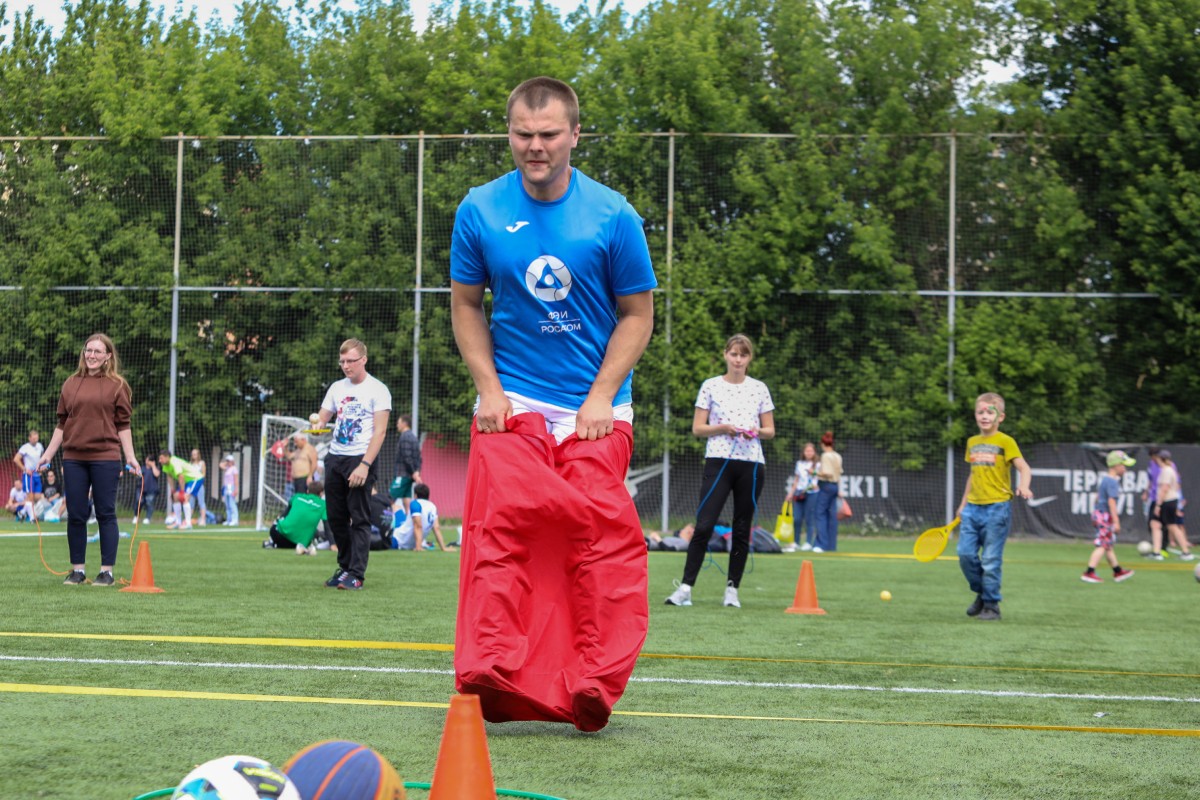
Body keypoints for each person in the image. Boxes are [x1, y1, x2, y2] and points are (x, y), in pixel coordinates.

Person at [449, 76, 656, 731]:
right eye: (522, 134)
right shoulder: (479, 210)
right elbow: (465, 305)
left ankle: (591, 682)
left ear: (575, 135)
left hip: (596, 410)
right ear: (508, 134)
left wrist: (601, 398)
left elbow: (638, 316)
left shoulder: (613, 216)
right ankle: (492, 673)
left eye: (548, 135)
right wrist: (490, 390)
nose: (534, 147)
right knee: (500, 535)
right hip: (513, 403)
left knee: (597, 542)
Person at [665, 334, 775, 610]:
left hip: (751, 463)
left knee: (742, 528)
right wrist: (724, 428)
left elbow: (770, 430)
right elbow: (698, 428)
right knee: (704, 524)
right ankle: (686, 588)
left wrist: (756, 432)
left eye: (743, 355)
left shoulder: (759, 388)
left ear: (749, 358)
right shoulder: (710, 386)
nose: (738, 359)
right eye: (734, 354)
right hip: (718, 460)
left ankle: (732, 590)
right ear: (726, 355)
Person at [37, 333, 141, 586]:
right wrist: (48, 454)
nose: (91, 355)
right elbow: (62, 424)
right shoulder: (71, 383)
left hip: (106, 458)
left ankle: (106, 572)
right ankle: (78, 571)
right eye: (88, 350)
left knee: (105, 513)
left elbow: (123, 425)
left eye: (97, 351)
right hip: (73, 458)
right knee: (75, 514)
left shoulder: (118, 385)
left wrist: (130, 457)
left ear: (108, 356)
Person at [314, 338, 391, 590]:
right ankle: (345, 567)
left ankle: (357, 574)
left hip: (360, 458)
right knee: (336, 517)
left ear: (363, 360)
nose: (346, 366)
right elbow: (323, 418)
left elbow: (380, 432)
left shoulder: (378, 390)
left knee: (359, 518)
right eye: (342, 361)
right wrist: (317, 424)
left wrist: (365, 465)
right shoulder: (336, 388)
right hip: (335, 457)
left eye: (351, 361)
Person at [955, 392, 1032, 621]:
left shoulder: (1006, 441)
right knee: (964, 554)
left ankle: (991, 605)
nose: (985, 416)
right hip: (972, 508)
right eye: (980, 412)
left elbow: (1024, 468)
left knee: (990, 559)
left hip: (997, 508)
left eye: (990, 412)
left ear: (1001, 417)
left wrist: (1024, 486)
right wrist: (962, 504)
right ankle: (982, 593)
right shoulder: (972, 442)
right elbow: (972, 475)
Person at [1082, 450, 1137, 583]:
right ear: (1116, 465)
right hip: (1105, 515)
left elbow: (1097, 498)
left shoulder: (1105, 479)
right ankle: (1089, 572)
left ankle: (1117, 571)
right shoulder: (1112, 482)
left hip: (1099, 514)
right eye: (1123, 465)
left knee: (1108, 545)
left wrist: (1097, 513)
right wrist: (1116, 522)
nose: (1125, 468)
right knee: (1102, 545)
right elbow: (1111, 502)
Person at [1151, 449, 1194, 561]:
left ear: (1160, 459)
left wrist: (1158, 505)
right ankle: (1157, 552)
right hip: (1170, 501)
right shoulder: (1169, 469)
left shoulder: (1166, 470)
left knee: (1172, 526)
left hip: (1167, 501)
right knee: (1156, 524)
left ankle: (1186, 552)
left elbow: (1164, 488)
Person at [264, 480, 326, 554]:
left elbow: (285, 514)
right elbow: (327, 526)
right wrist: (333, 544)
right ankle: (275, 544)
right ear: (321, 493)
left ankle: (273, 543)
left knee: (278, 522)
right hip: (297, 543)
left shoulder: (297, 496)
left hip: (278, 534)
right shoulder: (323, 504)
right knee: (312, 532)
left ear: (307, 491)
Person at [784, 441, 820, 552]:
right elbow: (796, 480)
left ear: (814, 452)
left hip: (812, 493)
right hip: (799, 493)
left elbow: (820, 477)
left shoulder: (818, 464)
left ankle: (809, 542)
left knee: (809, 518)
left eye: (811, 451)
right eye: (807, 451)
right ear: (803, 452)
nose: (809, 453)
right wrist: (791, 493)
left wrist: (813, 474)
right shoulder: (799, 463)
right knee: (797, 518)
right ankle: (796, 542)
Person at [391, 482, 448, 551]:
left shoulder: (415, 504)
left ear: (415, 495)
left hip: (397, 541)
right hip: (407, 539)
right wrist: (444, 548)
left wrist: (418, 547)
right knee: (397, 508)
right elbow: (436, 528)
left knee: (395, 507)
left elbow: (418, 526)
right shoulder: (433, 506)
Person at [812, 431, 844, 552]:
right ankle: (831, 545)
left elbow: (827, 473)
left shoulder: (825, 455)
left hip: (826, 486)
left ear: (822, 444)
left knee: (820, 514)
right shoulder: (837, 456)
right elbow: (839, 474)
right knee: (832, 515)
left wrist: (814, 472)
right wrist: (839, 489)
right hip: (835, 486)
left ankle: (821, 545)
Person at [158, 450, 201, 529]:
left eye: (161, 458)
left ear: (167, 457)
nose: (159, 460)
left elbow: (181, 477)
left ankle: (188, 523)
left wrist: (182, 492)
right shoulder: (165, 465)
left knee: (185, 497)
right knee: (175, 497)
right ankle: (178, 522)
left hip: (195, 478)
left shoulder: (174, 462)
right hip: (187, 481)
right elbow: (169, 476)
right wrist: (173, 490)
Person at [390, 414, 422, 516]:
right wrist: (417, 472)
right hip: (410, 476)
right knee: (406, 499)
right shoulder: (413, 437)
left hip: (403, 474)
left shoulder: (405, 436)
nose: (397, 425)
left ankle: (385, 520)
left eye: (398, 423)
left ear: (404, 423)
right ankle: (409, 520)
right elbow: (419, 457)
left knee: (390, 498)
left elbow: (407, 457)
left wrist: (413, 472)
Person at [14, 429, 44, 507]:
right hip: (28, 476)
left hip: (37, 475)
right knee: (30, 498)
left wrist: (42, 468)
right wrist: (25, 469)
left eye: (37, 438)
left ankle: (23, 511)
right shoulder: (25, 447)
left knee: (38, 497)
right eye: (34, 439)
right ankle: (29, 513)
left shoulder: (40, 446)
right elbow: (16, 459)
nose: (35, 440)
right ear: (29, 438)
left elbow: (42, 459)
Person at [135, 454, 160, 523]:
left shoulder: (155, 468)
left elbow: (157, 474)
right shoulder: (142, 468)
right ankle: (136, 516)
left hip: (151, 490)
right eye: (147, 459)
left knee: (149, 503)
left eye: (149, 460)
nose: (147, 461)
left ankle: (147, 518)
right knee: (139, 502)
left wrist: (153, 466)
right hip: (141, 489)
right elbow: (137, 475)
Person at [187, 448, 208, 525]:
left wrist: (198, 480)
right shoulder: (189, 464)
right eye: (193, 454)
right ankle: (188, 519)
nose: (194, 455)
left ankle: (203, 519)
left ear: (198, 455)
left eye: (195, 454)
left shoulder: (201, 463)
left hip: (199, 485)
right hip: (192, 485)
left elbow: (203, 474)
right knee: (190, 503)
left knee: (201, 502)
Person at [220, 454, 240, 526]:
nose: (228, 462)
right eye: (227, 461)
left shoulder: (234, 469)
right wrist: (226, 463)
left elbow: (236, 480)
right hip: (226, 487)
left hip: (231, 487)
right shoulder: (227, 468)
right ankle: (229, 519)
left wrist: (236, 489)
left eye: (229, 461)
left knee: (232, 503)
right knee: (227, 504)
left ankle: (235, 519)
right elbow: (221, 465)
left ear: (232, 461)